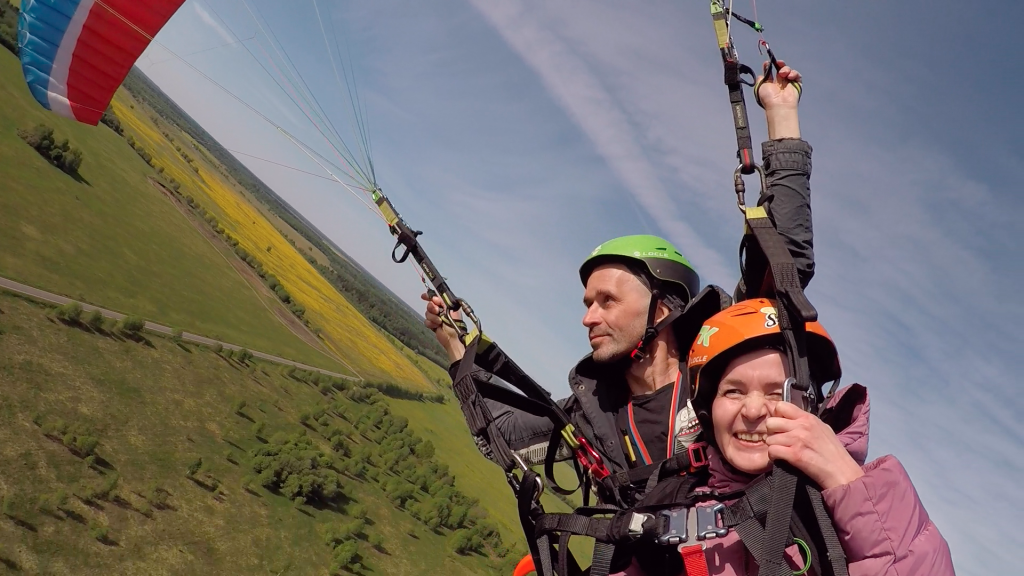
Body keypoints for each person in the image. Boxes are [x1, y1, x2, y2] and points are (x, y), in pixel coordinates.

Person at [618, 298, 953, 576]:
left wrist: (846, 478)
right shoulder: (674, 496)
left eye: (777, 393)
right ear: (708, 409)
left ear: (809, 407)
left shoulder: (846, 506)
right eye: (733, 391)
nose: (751, 411)